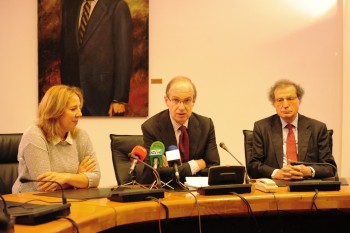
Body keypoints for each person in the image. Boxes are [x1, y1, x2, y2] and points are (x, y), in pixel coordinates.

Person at [12, 85, 100, 193]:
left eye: (79, 108)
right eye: (73, 109)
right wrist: (77, 176)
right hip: (28, 204)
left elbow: (96, 177)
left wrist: (67, 178)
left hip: (67, 199)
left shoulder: (81, 135)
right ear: (55, 111)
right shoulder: (33, 136)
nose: (80, 114)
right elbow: (45, 186)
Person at [248, 79, 337, 180]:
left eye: (290, 99)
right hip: (276, 187)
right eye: (280, 100)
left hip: (307, 186)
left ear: (299, 100)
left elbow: (330, 167)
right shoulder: (262, 127)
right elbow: (253, 166)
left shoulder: (317, 128)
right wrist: (276, 173)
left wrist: (308, 171)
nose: (285, 105)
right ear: (274, 103)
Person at [141, 76, 220, 184]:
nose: (181, 107)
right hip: (166, 193)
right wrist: (195, 165)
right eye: (176, 100)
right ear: (166, 101)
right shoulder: (151, 128)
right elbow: (154, 173)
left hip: (198, 192)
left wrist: (172, 170)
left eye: (187, 100)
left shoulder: (206, 125)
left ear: (194, 101)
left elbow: (213, 168)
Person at [61, 0, 133, 116]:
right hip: (72, 95)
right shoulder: (69, 6)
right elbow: (65, 52)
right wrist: (63, 94)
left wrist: (119, 99)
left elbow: (124, 55)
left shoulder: (117, 7)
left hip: (104, 96)